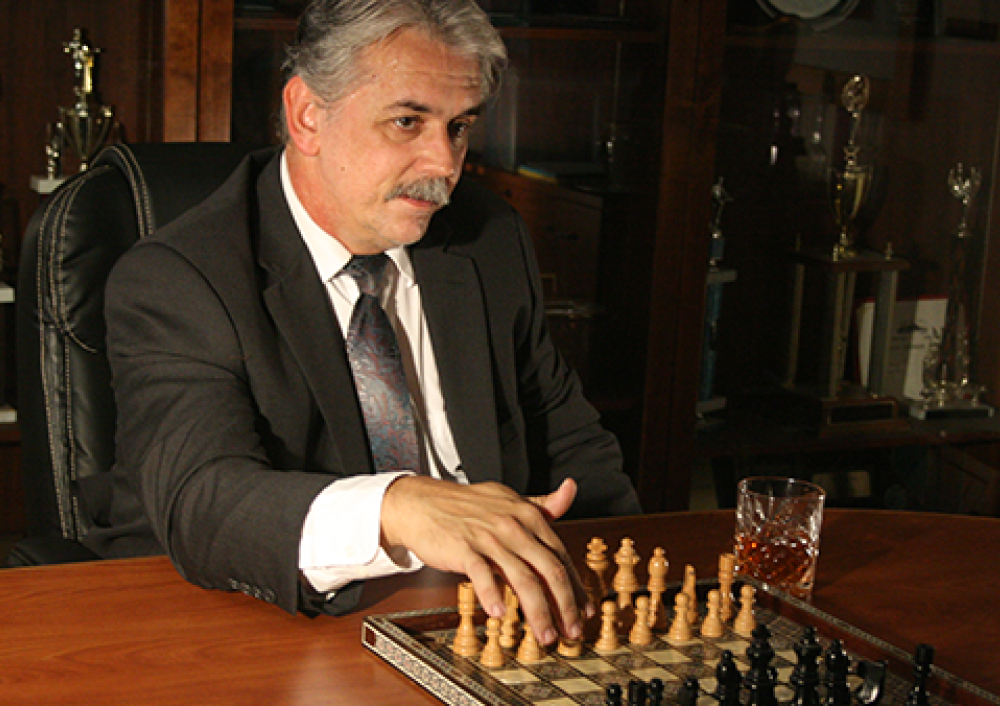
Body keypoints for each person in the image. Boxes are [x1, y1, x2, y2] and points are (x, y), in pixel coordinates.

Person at [87, 0, 640, 649]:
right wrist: (397, 506)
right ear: (307, 115)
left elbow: (567, 439)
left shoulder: (488, 236)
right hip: (251, 625)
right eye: (407, 122)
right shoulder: (180, 277)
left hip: (477, 623)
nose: (445, 165)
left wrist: (626, 594)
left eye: (459, 127)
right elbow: (204, 502)